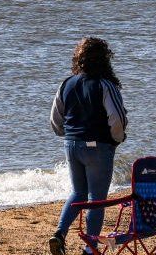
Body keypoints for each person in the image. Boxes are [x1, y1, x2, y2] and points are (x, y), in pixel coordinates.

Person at [49, 37, 128, 255]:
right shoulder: (105, 85)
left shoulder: (67, 83)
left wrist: (70, 136)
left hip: (71, 145)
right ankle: (90, 248)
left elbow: (55, 121)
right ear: (105, 60)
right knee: (97, 199)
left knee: (78, 192)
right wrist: (117, 139)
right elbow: (117, 118)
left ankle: (59, 233)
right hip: (98, 146)